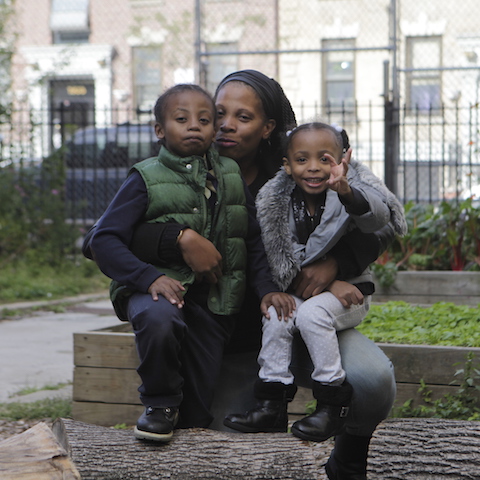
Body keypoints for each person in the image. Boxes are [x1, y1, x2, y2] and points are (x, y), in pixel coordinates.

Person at [84, 70, 400, 479]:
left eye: (244, 117)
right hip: (224, 340)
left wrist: (338, 263)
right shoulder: (178, 164)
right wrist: (178, 238)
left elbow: (384, 219)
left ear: (269, 128)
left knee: (372, 380)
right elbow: (100, 237)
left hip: (299, 318)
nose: (226, 125)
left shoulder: (301, 162)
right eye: (219, 113)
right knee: (223, 453)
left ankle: (349, 458)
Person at [87, 83, 295, 442]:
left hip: (212, 302)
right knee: (159, 319)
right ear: (159, 130)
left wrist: (266, 290)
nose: (194, 126)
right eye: (181, 119)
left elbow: (251, 239)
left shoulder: (229, 174)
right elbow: (103, 239)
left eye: (204, 119)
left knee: (199, 409)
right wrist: (147, 277)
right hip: (152, 287)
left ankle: (189, 438)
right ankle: (159, 404)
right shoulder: (145, 176)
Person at [223, 122, 407, 445]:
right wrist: (322, 284)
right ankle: (272, 402)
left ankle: (332, 403)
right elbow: (276, 253)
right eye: (302, 160)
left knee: (312, 316)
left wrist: (347, 190)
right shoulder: (276, 199)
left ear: (342, 160)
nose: (314, 168)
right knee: (278, 316)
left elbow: (378, 219)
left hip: (350, 293)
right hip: (302, 291)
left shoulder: (347, 190)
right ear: (287, 164)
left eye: (325, 159)